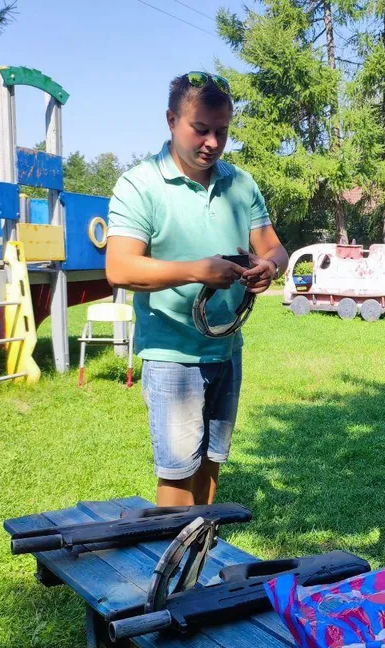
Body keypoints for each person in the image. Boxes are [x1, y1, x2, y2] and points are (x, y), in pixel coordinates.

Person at [106, 72, 289, 507]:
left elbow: (275, 248)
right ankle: (177, 571)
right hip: (173, 354)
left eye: (222, 132)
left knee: (210, 464)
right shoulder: (140, 184)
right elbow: (119, 267)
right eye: (200, 129)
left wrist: (270, 268)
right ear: (171, 120)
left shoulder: (240, 184)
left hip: (227, 349)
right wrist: (196, 271)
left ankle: (202, 558)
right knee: (177, 475)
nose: (212, 142)